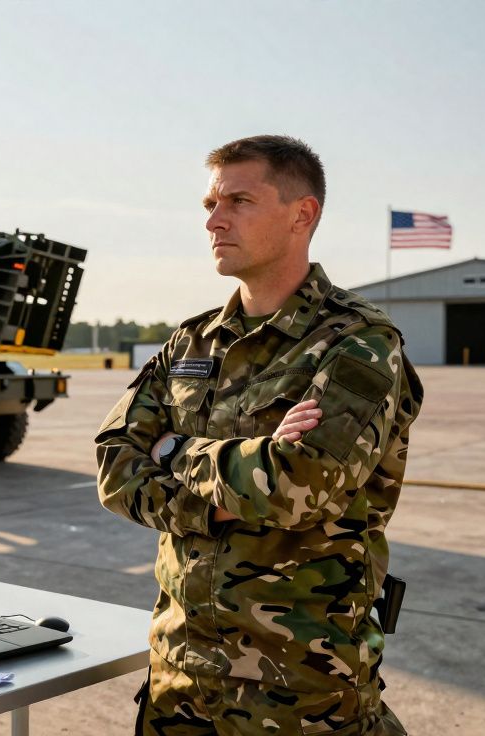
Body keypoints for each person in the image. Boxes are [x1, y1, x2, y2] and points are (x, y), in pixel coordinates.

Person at [95, 135, 422, 735]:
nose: (214, 221)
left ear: (303, 214)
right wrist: (222, 501)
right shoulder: (190, 344)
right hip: (179, 688)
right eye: (209, 205)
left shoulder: (358, 344)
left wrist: (174, 449)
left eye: (239, 200)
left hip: (299, 697)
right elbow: (114, 468)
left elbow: (299, 486)